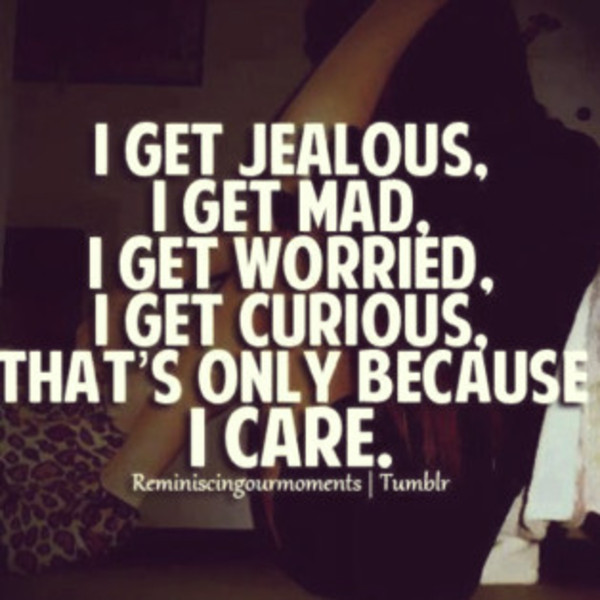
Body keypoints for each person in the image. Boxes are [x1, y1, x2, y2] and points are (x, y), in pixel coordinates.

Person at [2, 3, 599, 600]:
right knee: (272, 264)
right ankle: (111, 471)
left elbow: (283, 184)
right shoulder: (559, 171)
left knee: (281, 253)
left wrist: (132, 293)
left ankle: (106, 452)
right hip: (386, 535)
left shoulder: (445, 175)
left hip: (348, 524)